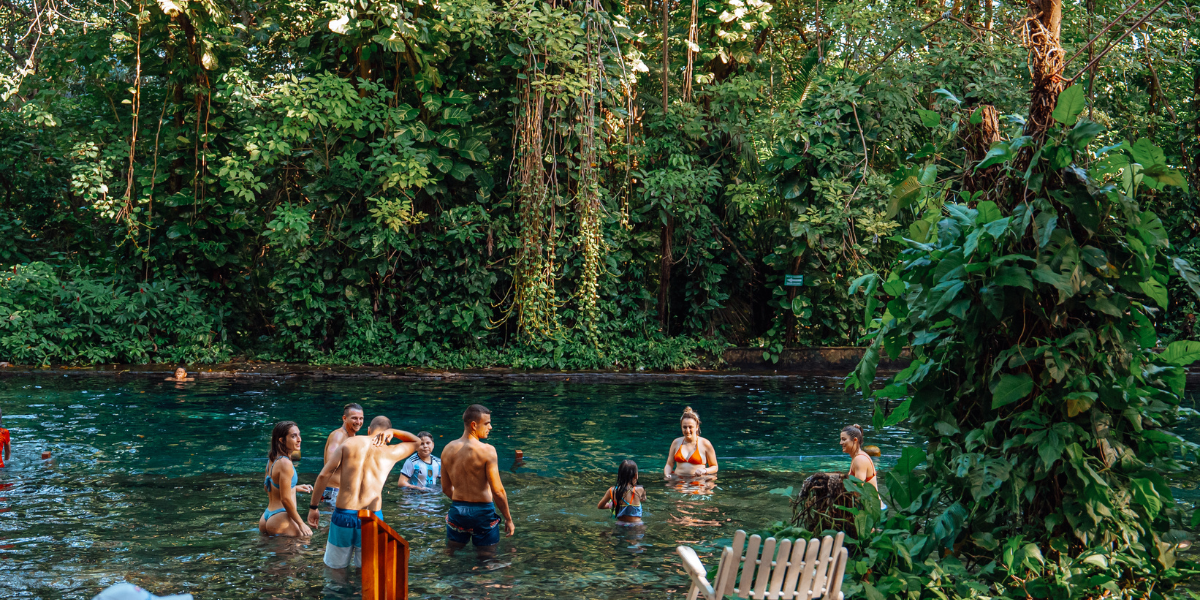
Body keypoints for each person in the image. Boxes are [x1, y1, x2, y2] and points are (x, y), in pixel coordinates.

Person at [307, 416, 421, 571]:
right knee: (367, 570)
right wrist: (393, 432)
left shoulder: (349, 443)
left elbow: (323, 475)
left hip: (343, 515)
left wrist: (313, 507)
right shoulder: (391, 451)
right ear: (387, 434)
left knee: (335, 570)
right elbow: (417, 442)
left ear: (368, 429)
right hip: (372, 518)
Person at [441, 404, 514, 557]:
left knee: (452, 556)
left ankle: (450, 581)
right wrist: (508, 518)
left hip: (457, 512)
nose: (491, 427)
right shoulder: (487, 451)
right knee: (487, 560)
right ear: (474, 425)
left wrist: (462, 503)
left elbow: (446, 489)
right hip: (483, 513)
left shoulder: (447, 449)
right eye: (487, 423)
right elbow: (498, 491)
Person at [259, 421, 314, 537]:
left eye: (299, 435)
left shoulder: (272, 459)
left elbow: (267, 487)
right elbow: (285, 499)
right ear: (281, 440)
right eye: (293, 436)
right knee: (304, 544)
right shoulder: (285, 463)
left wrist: (295, 487)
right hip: (281, 519)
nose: (299, 439)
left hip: (266, 517)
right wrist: (301, 524)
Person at [321, 403, 365, 508]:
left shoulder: (352, 438)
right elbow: (330, 464)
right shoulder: (338, 436)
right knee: (329, 524)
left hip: (345, 493)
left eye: (361, 418)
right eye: (354, 418)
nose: (358, 422)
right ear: (344, 418)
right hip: (334, 492)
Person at [664, 406, 718, 478]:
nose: (687, 430)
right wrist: (667, 475)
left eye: (690, 427)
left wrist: (704, 471)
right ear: (681, 427)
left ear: (697, 427)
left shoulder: (705, 444)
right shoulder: (676, 442)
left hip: (697, 482)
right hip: (678, 481)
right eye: (684, 427)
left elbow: (714, 467)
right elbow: (669, 464)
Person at [597, 459, 647, 524]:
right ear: (635, 475)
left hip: (620, 525)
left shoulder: (612, 491)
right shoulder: (640, 489)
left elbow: (600, 506)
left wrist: (611, 505)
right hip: (637, 525)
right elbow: (643, 499)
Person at [840, 424, 878, 491]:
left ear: (855, 440)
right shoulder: (856, 457)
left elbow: (857, 491)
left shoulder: (860, 459)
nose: (840, 443)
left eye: (844, 439)